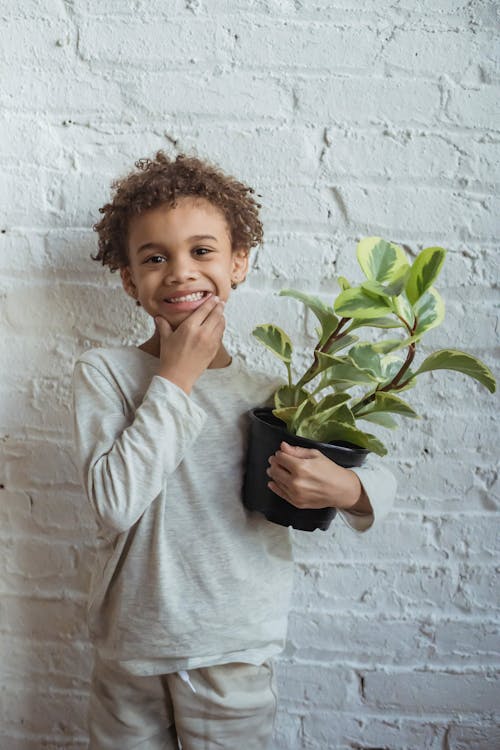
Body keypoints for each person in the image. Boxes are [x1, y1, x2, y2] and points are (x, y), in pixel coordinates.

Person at [72, 151, 396, 750]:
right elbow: (114, 504)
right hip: (131, 650)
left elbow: (379, 477)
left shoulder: (273, 394)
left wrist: (348, 489)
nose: (179, 273)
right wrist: (175, 378)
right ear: (128, 279)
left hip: (234, 645)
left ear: (238, 263)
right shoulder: (106, 375)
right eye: (154, 258)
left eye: (201, 251)